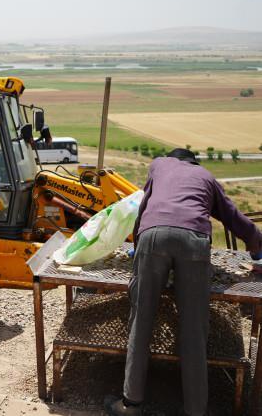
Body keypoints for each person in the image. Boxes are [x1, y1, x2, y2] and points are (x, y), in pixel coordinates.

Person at [105, 148, 262, 416]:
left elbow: (143, 208)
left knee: (141, 320)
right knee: (194, 330)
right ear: (193, 162)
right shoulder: (206, 177)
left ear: (172, 158)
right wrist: (257, 251)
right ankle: (195, 410)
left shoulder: (159, 165)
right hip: (194, 243)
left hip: (153, 237)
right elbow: (234, 217)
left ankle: (131, 404)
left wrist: (138, 244)